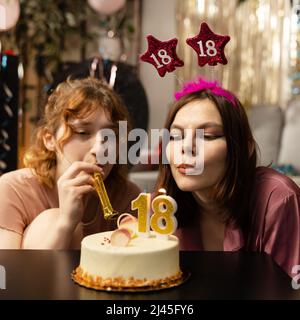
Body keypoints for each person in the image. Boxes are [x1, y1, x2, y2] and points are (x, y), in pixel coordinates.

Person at [155, 77, 300, 278]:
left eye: (207, 136)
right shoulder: (163, 205)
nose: (185, 147)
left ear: (245, 148)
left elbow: (283, 291)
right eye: (175, 137)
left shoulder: (277, 199)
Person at [0, 77, 140, 249]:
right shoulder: (13, 189)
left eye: (110, 136)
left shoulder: (129, 197)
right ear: (49, 139)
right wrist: (65, 223)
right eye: (82, 132)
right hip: (30, 275)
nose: (99, 149)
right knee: (53, 218)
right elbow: (6, 271)